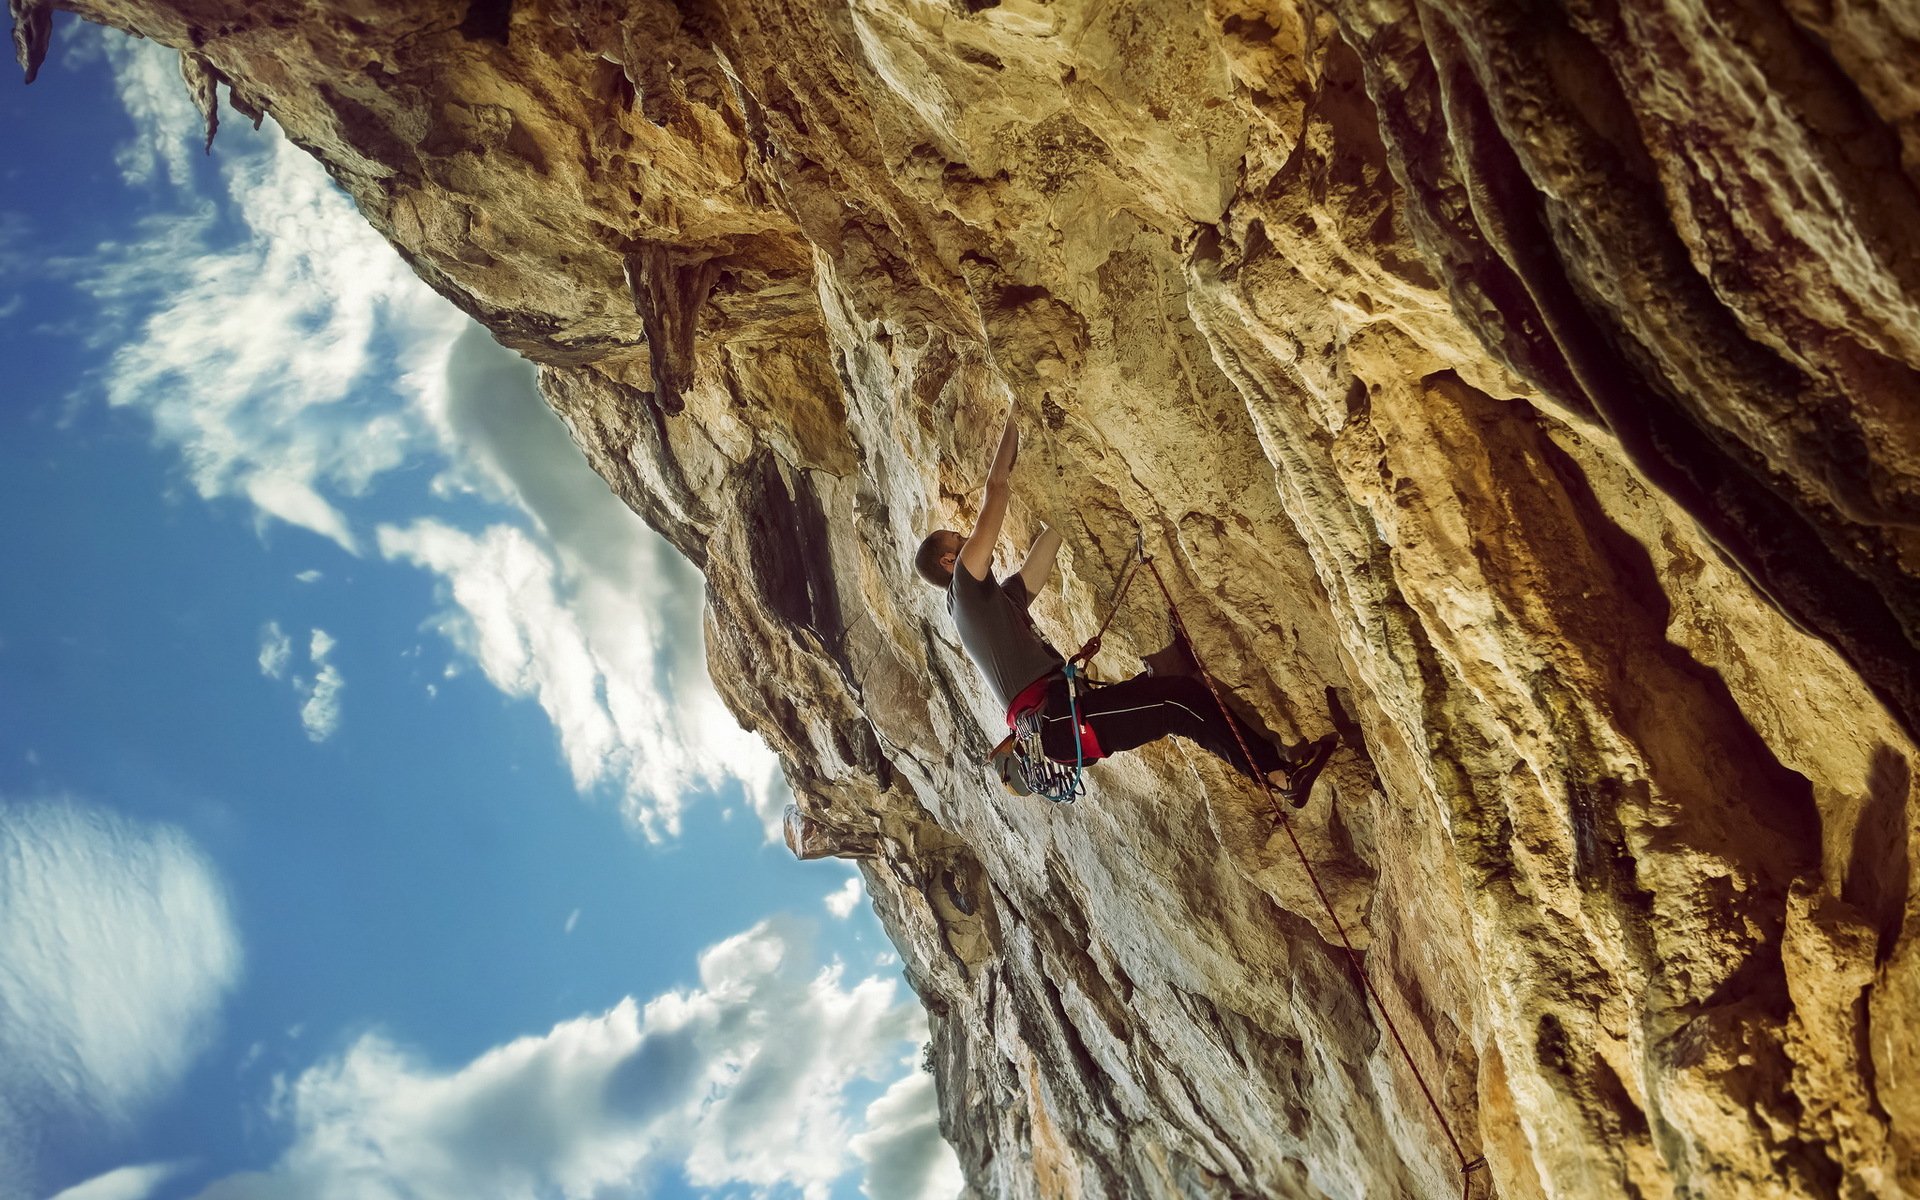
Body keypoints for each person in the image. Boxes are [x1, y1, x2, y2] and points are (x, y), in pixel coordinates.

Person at [914, 394, 1337, 804]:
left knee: (1175, 687)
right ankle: (1278, 779)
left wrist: (1066, 508)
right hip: (1059, 723)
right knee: (1175, 703)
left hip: (1065, 716)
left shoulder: (991, 603)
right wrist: (1014, 415)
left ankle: (1275, 764)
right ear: (951, 559)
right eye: (959, 538)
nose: (968, 536)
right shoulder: (965, 589)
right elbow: (997, 487)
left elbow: (1034, 570)